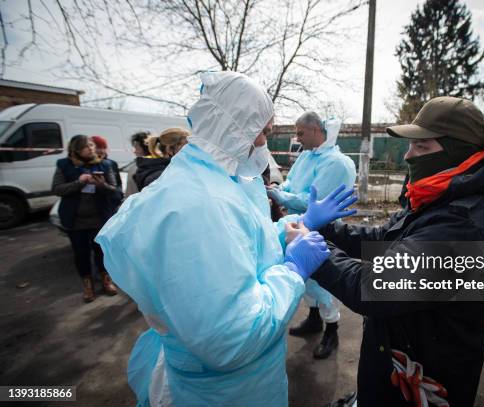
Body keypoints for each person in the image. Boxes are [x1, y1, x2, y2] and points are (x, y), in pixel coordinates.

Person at [95, 71, 355, 406]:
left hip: (244, 381)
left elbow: (243, 242)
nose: (264, 142)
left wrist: (287, 229)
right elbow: (233, 338)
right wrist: (292, 271)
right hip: (226, 392)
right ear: (234, 127)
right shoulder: (199, 204)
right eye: (262, 132)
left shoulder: (220, 178)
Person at [299, 97, 484, 406]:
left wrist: (316, 251)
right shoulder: (439, 199)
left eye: (422, 147)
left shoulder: (469, 228)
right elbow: (384, 238)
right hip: (396, 366)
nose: (408, 156)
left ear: (459, 154)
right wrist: (326, 229)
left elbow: (373, 287)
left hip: (423, 385)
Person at [267, 112, 357, 359]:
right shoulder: (307, 156)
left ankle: (332, 330)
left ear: (317, 131)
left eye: (300, 132)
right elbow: (292, 183)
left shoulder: (336, 163)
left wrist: (279, 197)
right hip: (297, 225)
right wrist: (279, 188)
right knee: (306, 277)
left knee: (325, 280)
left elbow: (314, 202)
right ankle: (315, 319)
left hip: (322, 228)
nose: (297, 138)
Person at [51, 135, 119, 302]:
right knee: (80, 253)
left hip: (99, 218)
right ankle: (87, 285)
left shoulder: (105, 164)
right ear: (75, 149)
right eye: (85, 146)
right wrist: (79, 182)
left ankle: (106, 279)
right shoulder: (64, 165)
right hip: (75, 220)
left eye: (91, 145)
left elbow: (115, 190)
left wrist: (101, 185)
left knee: (101, 251)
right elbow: (57, 189)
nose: (90, 148)